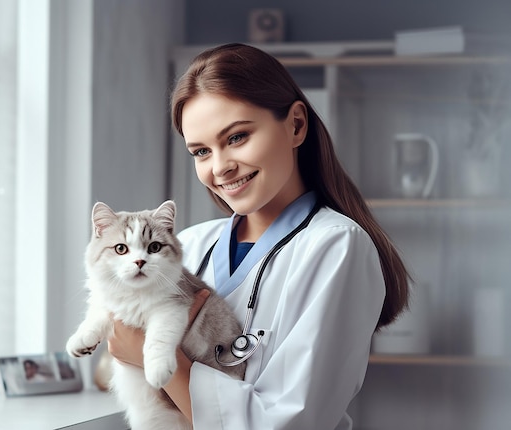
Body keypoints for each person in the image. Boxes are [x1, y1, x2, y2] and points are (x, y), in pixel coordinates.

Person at [108, 42, 409, 430]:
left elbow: (289, 422)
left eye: (236, 137)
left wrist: (162, 360)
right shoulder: (192, 244)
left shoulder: (336, 245)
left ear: (296, 125)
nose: (220, 168)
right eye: (201, 152)